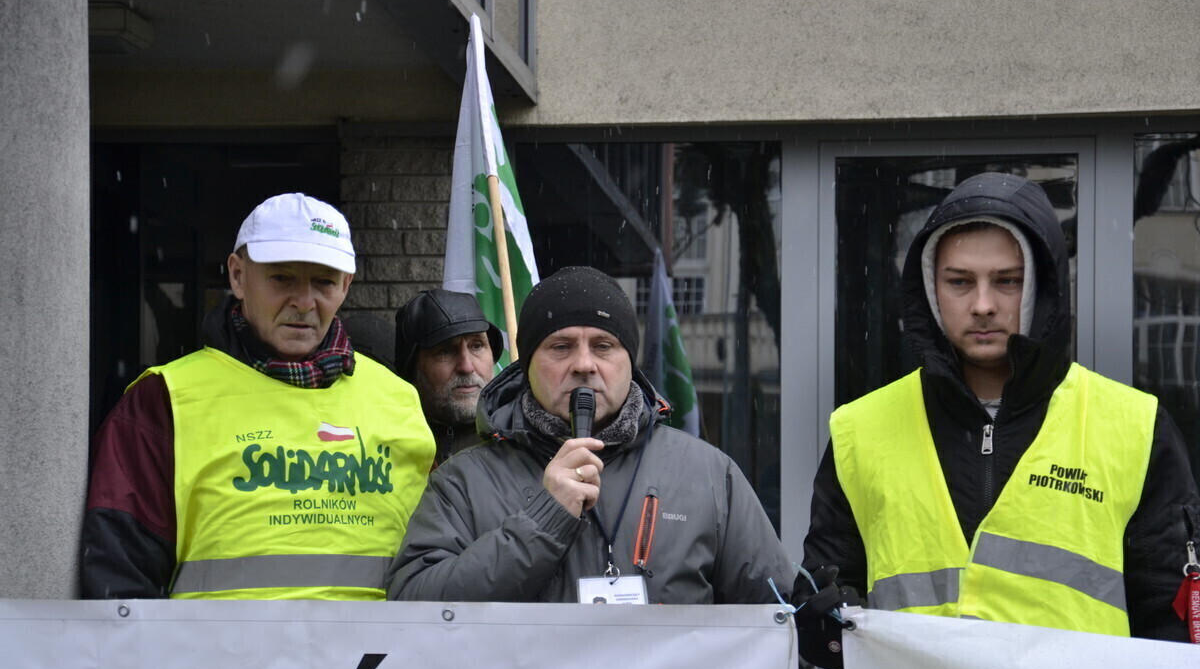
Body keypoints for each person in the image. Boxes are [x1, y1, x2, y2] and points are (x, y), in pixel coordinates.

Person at [800, 172, 1200, 669]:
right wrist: (827, 623)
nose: (983, 304)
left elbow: (1173, 634)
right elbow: (820, 608)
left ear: (1040, 286)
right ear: (931, 290)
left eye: (1006, 281)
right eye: (960, 281)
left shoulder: (1134, 427)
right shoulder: (862, 431)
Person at [81, 193, 435, 600]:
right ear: (237, 276)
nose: (304, 302)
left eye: (323, 282)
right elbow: (120, 578)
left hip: (378, 660)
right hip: (214, 661)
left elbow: (435, 561)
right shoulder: (163, 399)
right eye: (282, 278)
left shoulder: (399, 398)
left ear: (346, 285)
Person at [387, 266, 792, 606]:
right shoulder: (464, 482)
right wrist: (543, 523)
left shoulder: (707, 474)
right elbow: (413, 608)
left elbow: (779, 626)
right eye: (561, 347)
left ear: (629, 363)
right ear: (526, 367)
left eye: (604, 346)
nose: (584, 364)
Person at [395, 288, 502, 466]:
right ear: (412, 367)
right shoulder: (385, 444)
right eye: (445, 351)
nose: (467, 367)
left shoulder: (524, 440)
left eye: (477, 345)